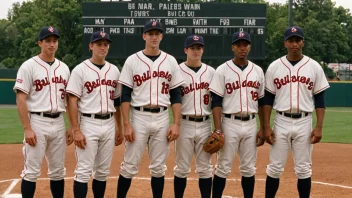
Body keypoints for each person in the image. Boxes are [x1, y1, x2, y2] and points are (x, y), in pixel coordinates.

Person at [116, 21, 185, 198]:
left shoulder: (170, 61)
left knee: (158, 167)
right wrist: (126, 123)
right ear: (144, 36)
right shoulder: (132, 60)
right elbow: (125, 95)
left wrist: (176, 123)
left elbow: (176, 94)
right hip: (139, 116)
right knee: (130, 164)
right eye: (150, 33)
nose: (154, 37)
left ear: (161, 36)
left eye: (157, 33)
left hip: (162, 116)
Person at [263, 26, 330, 198]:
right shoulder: (275, 67)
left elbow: (320, 99)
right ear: (285, 42)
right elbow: (268, 100)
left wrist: (319, 126)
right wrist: (266, 126)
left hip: (304, 121)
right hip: (281, 121)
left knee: (303, 168)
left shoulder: (313, 66)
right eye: (291, 40)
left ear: (303, 42)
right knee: (275, 167)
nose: (294, 44)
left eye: (297, 40)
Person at [13, 26, 72, 198]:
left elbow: (68, 101)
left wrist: (72, 127)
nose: (52, 44)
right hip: (38, 122)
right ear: (40, 43)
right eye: (48, 41)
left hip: (59, 122)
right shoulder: (29, 66)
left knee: (58, 171)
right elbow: (21, 99)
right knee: (31, 171)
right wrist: (27, 128)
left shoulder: (64, 68)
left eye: (55, 41)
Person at [66, 31, 123, 198]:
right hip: (88, 123)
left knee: (102, 172)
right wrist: (76, 129)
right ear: (91, 46)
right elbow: (72, 102)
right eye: (99, 44)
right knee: (83, 171)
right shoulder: (80, 70)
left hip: (109, 123)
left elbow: (117, 103)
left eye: (106, 44)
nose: (102, 47)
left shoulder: (114, 71)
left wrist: (119, 127)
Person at [208, 31, 265, 198]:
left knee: (248, 167)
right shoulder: (222, 70)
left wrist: (262, 127)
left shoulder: (257, 71)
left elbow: (261, 102)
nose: (242, 48)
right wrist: (218, 129)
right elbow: (216, 102)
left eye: (245, 44)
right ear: (233, 47)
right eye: (238, 44)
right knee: (223, 165)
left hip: (251, 122)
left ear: (249, 47)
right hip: (230, 122)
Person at [173, 35, 215, 198]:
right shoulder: (177, 71)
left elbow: (217, 100)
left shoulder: (211, 72)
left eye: (199, 48)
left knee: (205, 167)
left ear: (203, 49)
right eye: (192, 48)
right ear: (186, 50)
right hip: (185, 123)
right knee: (182, 167)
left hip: (205, 123)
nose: (196, 51)